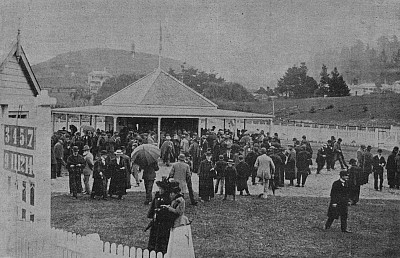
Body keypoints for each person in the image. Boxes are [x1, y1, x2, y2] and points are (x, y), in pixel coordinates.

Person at [164, 182, 195, 258]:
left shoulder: (180, 200)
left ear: (174, 193)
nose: (170, 195)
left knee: (179, 240)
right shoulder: (175, 200)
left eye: (171, 194)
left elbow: (179, 212)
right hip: (175, 222)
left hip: (180, 223)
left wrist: (169, 208)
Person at [146, 178, 176, 254]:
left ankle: (161, 249)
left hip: (163, 220)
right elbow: (153, 206)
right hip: (156, 219)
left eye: (161, 189)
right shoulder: (157, 196)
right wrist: (152, 214)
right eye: (159, 188)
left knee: (162, 236)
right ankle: (151, 248)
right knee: (153, 234)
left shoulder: (168, 198)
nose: (160, 190)